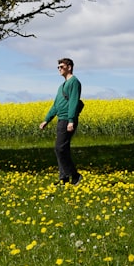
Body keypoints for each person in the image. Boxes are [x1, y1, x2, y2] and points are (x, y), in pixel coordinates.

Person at [39, 57, 83, 185]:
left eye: (62, 67)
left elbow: (74, 101)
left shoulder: (74, 82)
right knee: (61, 149)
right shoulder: (62, 86)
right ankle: (63, 179)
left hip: (67, 120)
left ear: (69, 67)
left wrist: (71, 120)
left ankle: (75, 175)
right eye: (58, 67)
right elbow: (56, 104)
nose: (59, 69)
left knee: (60, 148)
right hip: (61, 119)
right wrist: (47, 120)